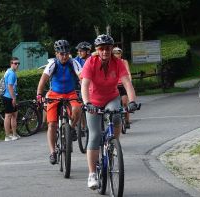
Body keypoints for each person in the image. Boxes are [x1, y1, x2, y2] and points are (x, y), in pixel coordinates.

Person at [81, 34, 138, 189]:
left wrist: (132, 101)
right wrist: (87, 103)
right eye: (102, 49)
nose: (105, 51)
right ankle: (92, 174)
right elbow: (84, 85)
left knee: (117, 115)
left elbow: (127, 83)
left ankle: (114, 142)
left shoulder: (117, 62)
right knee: (94, 136)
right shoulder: (90, 62)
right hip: (93, 101)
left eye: (107, 48)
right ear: (97, 50)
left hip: (111, 97)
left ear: (112, 49)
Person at [36, 40, 82, 165]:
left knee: (78, 109)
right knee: (52, 124)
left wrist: (86, 92)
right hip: (54, 94)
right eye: (61, 54)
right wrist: (39, 94)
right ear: (56, 54)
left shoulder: (74, 63)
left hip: (70, 93)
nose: (64, 56)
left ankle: (71, 129)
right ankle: (52, 152)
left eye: (66, 53)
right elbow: (43, 80)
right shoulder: (52, 65)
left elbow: (82, 78)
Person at [112, 47, 132, 129]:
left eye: (118, 53)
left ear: (121, 54)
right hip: (114, 86)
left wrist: (129, 81)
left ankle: (127, 120)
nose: (117, 55)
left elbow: (128, 72)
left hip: (122, 85)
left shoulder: (124, 62)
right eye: (115, 53)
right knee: (114, 105)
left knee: (124, 103)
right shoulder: (110, 63)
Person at [3, 57, 20, 141]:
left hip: (9, 96)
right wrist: (13, 98)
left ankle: (14, 134)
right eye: (15, 63)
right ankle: (7, 136)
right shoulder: (11, 74)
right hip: (9, 97)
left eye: (18, 63)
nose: (17, 65)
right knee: (9, 116)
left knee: (14, 115)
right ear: (11, 64)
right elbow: (10, 87)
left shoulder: (9, 71)